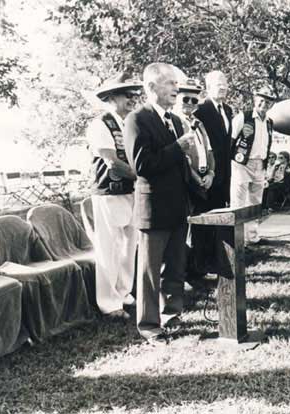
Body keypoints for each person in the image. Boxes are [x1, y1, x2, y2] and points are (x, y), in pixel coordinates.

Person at [124, 62, 198, 344]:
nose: (176, 90)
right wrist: (177, 147)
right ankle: (150, 325)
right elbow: (142, 165)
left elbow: (179, 166)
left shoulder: (176, 120)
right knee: (150, 272)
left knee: (175, 267)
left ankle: (173, 315)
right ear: (151, 87)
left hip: (178, 208)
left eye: (176, 85)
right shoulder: (137, 119)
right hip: (153, 209)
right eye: (170, 84)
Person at [86, 73, 142, 320]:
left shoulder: (129, 123)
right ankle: (109, 303)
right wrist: (142, 177)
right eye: (126, 94)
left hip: (131, 191)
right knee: (109, 247)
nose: (133, 98)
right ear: (111, 98)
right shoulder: (100, 124)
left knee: (130, 244)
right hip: (109, 191)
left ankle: (124, 291)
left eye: (134, 94)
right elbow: (111, 161)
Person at [189, 71, 234, 286]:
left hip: (224, 176)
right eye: (218, 84)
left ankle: (217, 263)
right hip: (207, 176)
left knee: (219, 221)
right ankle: (200, 266)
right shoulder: (201, 111)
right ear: (207, 87)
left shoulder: (228, 110)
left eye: (225, 83)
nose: (223, 87)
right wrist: (206, 174)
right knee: (202, 223)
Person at [173, 77, 216, 292]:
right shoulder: (174, 122)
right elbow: (181, 157)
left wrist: (211, 172)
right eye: (185, 99)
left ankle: (195, 271)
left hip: (201, 181)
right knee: (182, 231)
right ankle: (180, 275)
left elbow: (209, 151)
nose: (190, 104)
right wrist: (194, 177)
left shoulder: (198, 124)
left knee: (197, 230)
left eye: (194, 100)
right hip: (185, 183)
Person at [230, 86, 276, 244]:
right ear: (255, 100)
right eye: (261, 100)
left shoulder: (269, 122)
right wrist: (232, 162)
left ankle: (252, 237)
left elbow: (266, 144)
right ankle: (238, 240)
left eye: (268, 102)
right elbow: (230, 140)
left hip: (259, 165)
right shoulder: (243, 117)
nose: (264, 104)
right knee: (238, 202)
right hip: (242, 164)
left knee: (255, 202)